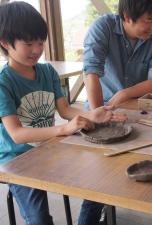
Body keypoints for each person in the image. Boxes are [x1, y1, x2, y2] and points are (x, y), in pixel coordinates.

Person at [0, 2, 126, 225]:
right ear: (5, 43)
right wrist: (64, 129)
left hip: (51, 148)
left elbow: (65, 110)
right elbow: (17, 134)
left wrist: (92, 115)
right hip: (18, 159)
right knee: (39, 219)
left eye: (40, 42)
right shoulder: (4, 82)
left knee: (99, 180)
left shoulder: (47, 71)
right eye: (28, 43)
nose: (37, 50)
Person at [83, 0, 152, 109]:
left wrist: (126, 93)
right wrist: (98, 113)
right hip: (103, 103)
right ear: (127, 17)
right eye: (150, 19)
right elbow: (91, 73)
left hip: (139, 106)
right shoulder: (103, 27)